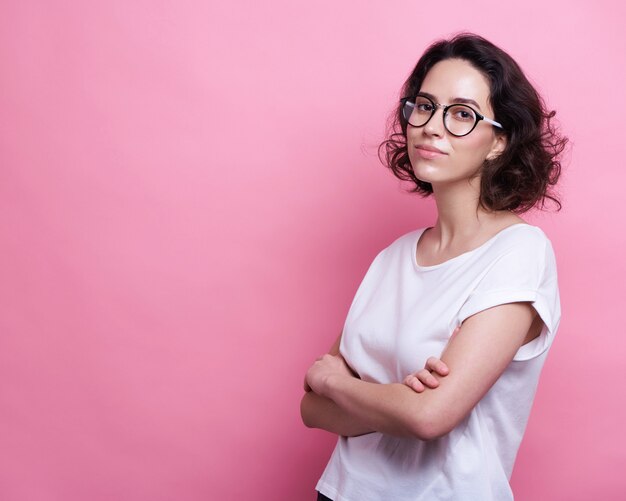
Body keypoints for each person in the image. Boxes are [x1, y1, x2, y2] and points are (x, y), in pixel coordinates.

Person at [300, 32, 567, 501]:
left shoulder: (520, 252)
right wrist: (394, 400)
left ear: (497, 143)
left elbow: (429, 417)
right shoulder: (392, 257)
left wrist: (335, 382)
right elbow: (311, 409)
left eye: (462, 114)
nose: (432, 126)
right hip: (341, 492)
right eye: (424, 105)